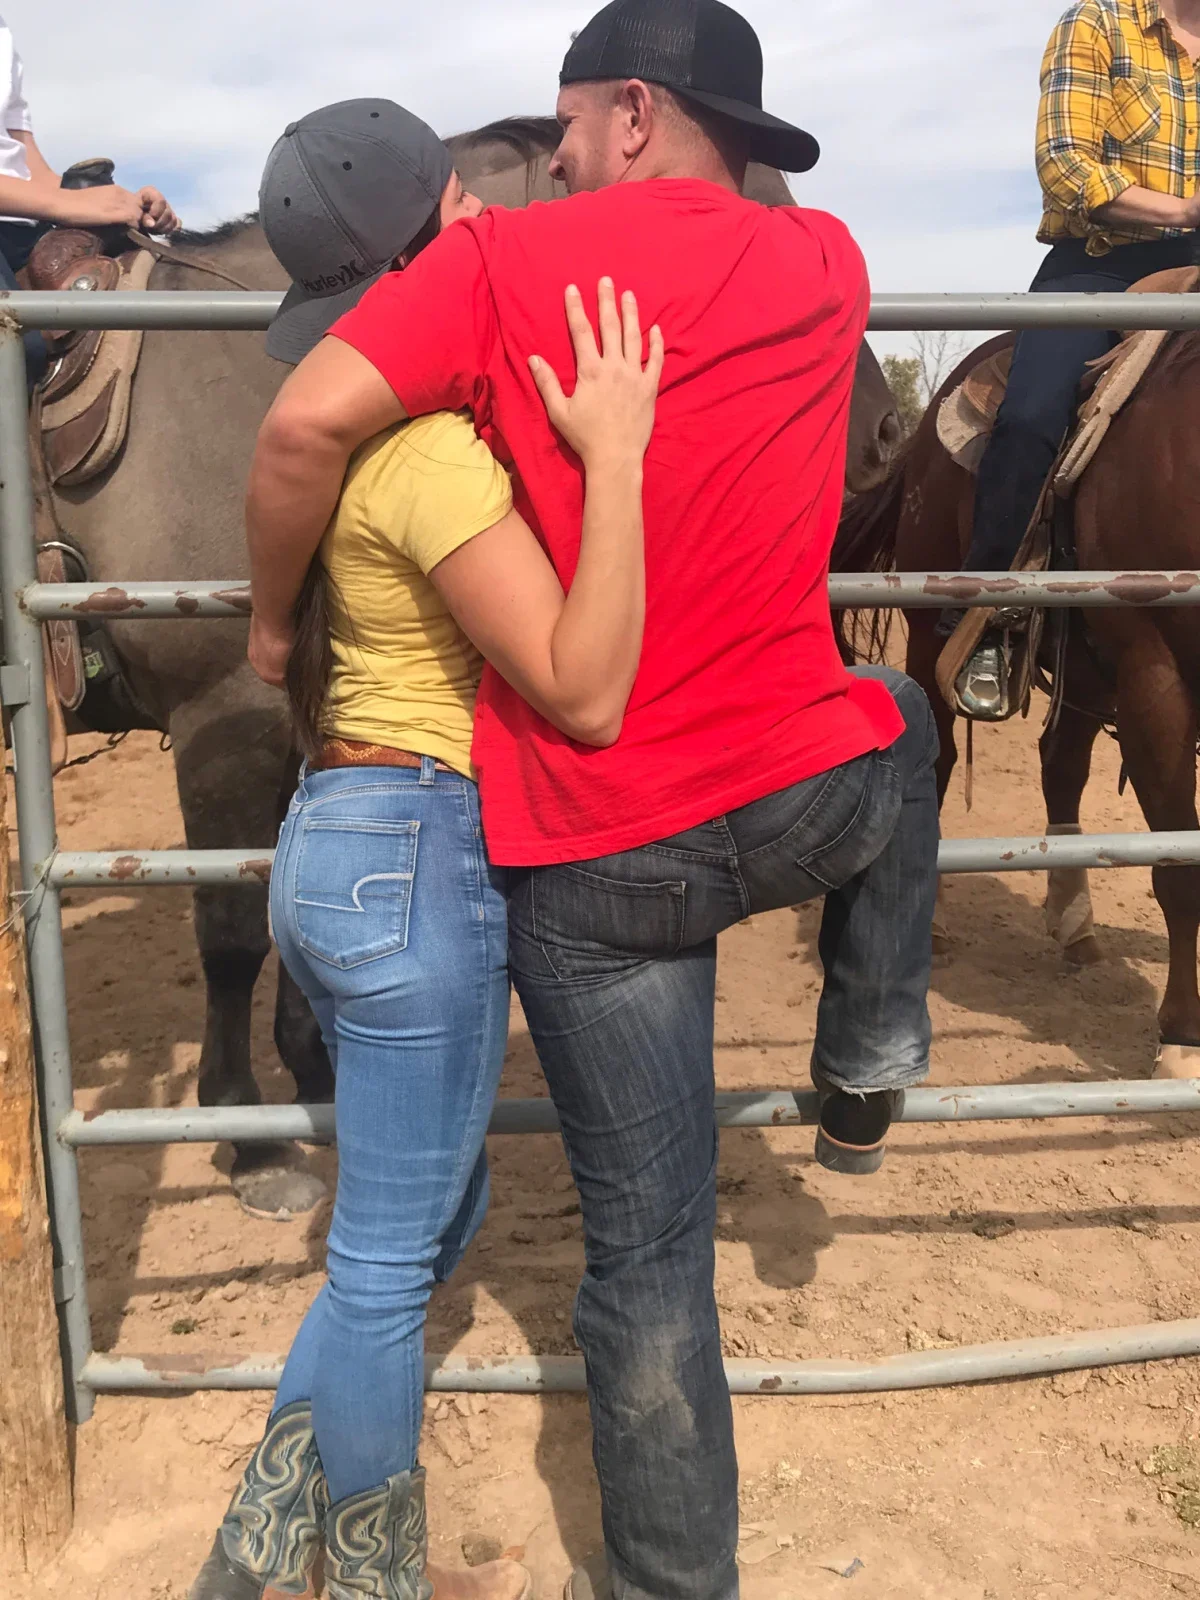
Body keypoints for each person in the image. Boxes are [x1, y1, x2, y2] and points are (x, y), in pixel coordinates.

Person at [243, 5, 940, 1597]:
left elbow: (301, 422)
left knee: (646, 1263)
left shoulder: (492, 276)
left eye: (564, 122)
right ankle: (869, 1043)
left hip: (596, 852)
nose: (547, 154)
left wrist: (275, 627)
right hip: (787, 801)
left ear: (629, 111)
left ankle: (665, 1585)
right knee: (906, 718)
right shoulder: (829, 260)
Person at [191, 100, 662, 1600]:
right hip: (420, 853)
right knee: (390, 1267)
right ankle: (371, 1570)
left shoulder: (328, 462)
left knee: (426, 1217)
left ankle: (260, 1536)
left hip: (335, 842)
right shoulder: (435, 460)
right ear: (443, 224)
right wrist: (623, 456)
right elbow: (582, 686)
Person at [948, 0, 1200, 718]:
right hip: (1100, 263)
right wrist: (1185, 211)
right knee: (1030, 417)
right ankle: (989, 614)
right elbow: (1065, 168)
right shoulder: (1097, 22)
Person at [0, 12, 179, 388]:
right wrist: (65, 206)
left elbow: (23, 160)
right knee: (14, 350)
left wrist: (113, 202)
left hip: (19, 223)